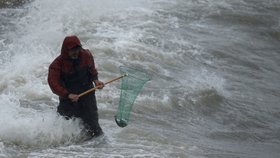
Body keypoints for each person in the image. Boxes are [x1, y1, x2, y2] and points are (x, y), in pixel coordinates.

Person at [48, 35, 104, 138]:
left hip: (87, 96)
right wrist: (67, 95)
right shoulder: (56, 65)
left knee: (94, 128)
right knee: (64, 128)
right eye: (73, 50)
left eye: (77, 49)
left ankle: (96, 149)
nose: (76, 52)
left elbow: (92, 70)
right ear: (65, 50)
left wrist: (96, 81)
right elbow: (53, 84)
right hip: (68, 99)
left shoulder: (86, 55)